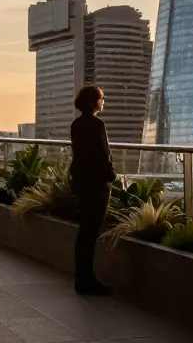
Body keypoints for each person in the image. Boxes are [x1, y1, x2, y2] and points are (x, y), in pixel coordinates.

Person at [70, 84, 115, 295]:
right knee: (91, 233)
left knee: (84, 233)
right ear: (93, 101)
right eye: (101, 98)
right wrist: (112, 176)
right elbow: (104, 155)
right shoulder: (98, 125)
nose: (103, 101)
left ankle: (82, 279)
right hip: (96, 185)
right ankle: (88, 281)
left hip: (81, 183)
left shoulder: (76, 125)